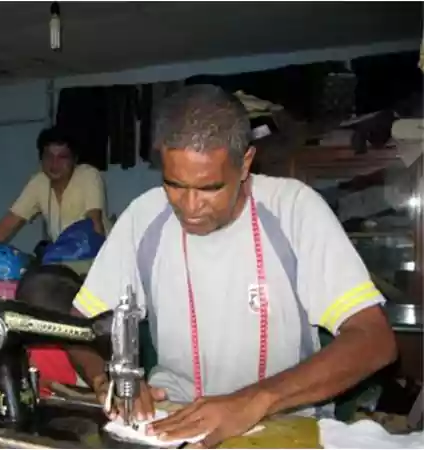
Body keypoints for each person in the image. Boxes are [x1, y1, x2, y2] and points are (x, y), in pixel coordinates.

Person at [67, 85, 397, 446]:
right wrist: (106, 379)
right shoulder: (143, 218)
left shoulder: (294, 211)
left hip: (281, 419)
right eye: (174, 185)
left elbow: (374, 340)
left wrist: (255, 401)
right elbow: (77, 325)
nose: (190, 207)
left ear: (245, 164)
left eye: (209, 188)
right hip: (173, 417)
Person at [0, 127, 110, 245]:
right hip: (63, 257)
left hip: (96, 255)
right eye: (49, 156)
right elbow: (8, 224)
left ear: (74, 159)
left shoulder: (88, 175)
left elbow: (94, 225)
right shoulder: (39, 182)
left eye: (62, 157)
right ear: (41, 159)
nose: (54, 164)